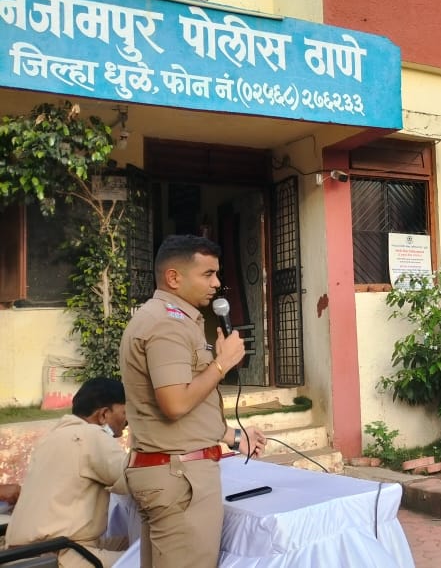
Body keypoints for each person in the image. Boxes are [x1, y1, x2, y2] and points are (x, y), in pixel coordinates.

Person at [119, 235, 266, 568]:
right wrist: (222, 364)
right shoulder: (166, 324)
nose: (216, 283)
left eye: (217, 274)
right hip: (179, 476)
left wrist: (232, 436)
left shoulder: (170, 318)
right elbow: (175, 403)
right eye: (208, 274)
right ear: (174, 277)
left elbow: (189, 403)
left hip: (172, 469)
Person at [5, 378, 131, 568]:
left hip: (26, 554)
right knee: (154, 558)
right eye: (124, 413)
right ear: (104, 414)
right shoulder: (91, 436)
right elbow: (135, 478)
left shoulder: (51, 438)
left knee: (136, 544)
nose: (127, 422)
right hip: (62, 554)